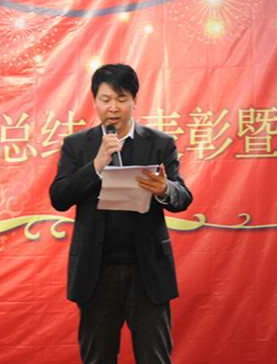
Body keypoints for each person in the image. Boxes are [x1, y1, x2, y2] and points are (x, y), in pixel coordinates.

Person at [49, 64, 193, 363]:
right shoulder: (77, 146)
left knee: (155, 357)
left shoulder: (159, 143)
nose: (113, 108)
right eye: (105, 99)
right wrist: (97, 164)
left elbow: (183, 197)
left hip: (147, 270)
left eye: (121, 99)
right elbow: (59, 197)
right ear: (94, 101)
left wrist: (164, 188)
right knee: (98, 357)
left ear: (134, 100)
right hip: (96, 271)